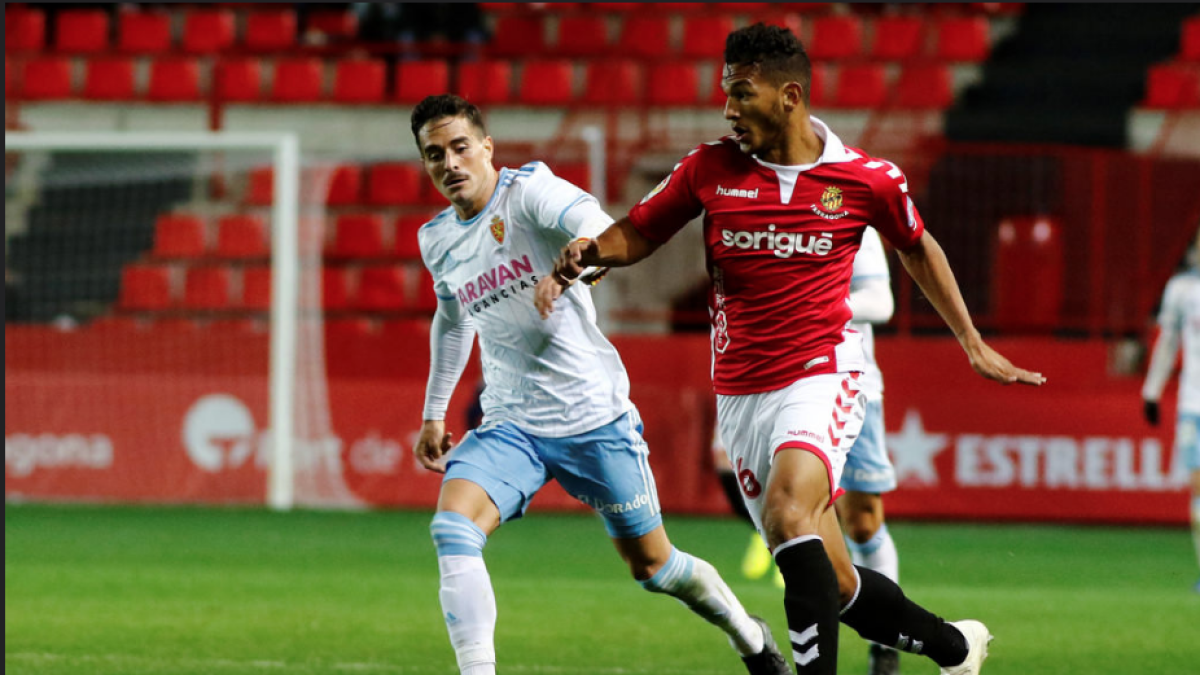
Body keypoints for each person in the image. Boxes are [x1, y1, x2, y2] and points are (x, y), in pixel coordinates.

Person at [536, 23, 1045, 675]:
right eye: (724, 93)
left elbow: (917, 247)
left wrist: (971, 341)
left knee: (786, 511)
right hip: (742, 395)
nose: (727, 109)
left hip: (822, 374)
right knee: (832, 581)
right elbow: (640, 230)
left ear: (789, 96)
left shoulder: (864, 179)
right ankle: (954, 647)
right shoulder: (708, 170)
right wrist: (592, 250)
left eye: (740, 93)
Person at [409, 94, 790, 675]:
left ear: (486, 147)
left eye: (461, 147)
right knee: (452, 529)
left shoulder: (529, 191)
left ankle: (750, 638)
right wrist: (435, 411)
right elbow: (453, 317)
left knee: (655, 569)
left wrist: (584, 252)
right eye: (435, 155)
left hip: (592, 418)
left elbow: (590, 220)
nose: (450, 163)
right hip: (511, 423)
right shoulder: (436, 239)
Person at [714, 227, 907, 675]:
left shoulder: (851, 219)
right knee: (797, 517)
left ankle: (885, 647)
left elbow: (881, 301)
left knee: (862, 522)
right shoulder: (760, 223)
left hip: (848, 382)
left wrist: (810, 302)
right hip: (775, 387)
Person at [1141, 226, 1200, 594]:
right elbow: (1167, 340)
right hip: (1195, 404)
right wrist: (1152, 390)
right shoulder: (1182, 290)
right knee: (1198, 490)